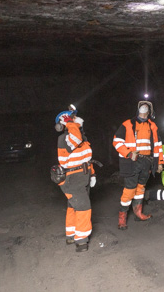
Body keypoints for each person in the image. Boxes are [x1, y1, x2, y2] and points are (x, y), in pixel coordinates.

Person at [112, 100, 164, 230]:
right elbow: (117, 142)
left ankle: (138, 213)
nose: (144, 107)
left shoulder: (153, 126)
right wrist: (129, 154)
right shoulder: (127, 124)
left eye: (147, 106)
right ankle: (122, 218)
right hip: (132, 161)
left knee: (141, 188)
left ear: (150, 112)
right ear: (138, 109)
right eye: (142, 105)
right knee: (130, 189)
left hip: (146, 161)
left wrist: (160, 162)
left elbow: (158, 146)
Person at [55, 108, 95, 252]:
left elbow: (86, 158)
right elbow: (75, 139)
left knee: (73, 206)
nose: (78, 119)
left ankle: (71, 235)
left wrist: (93, 174)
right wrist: (70, 122)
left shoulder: (80, 137)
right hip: (72, 177)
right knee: (84, 207)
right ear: (65, 122)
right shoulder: (66, 138)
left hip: (82, 176)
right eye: (73, 117)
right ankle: (81, 241)